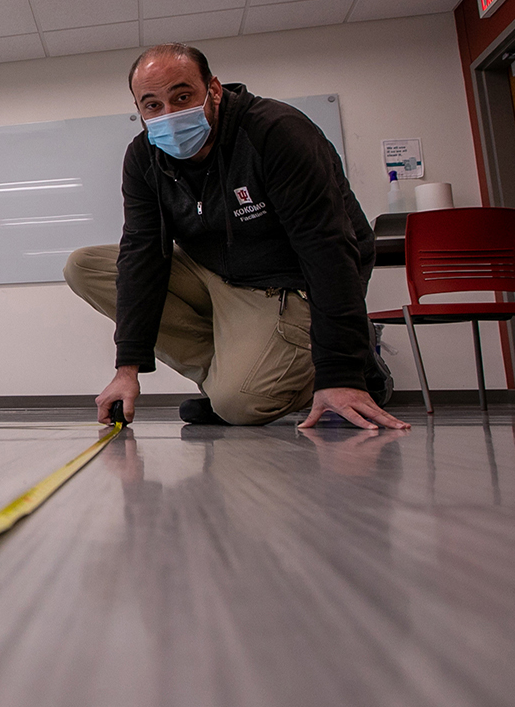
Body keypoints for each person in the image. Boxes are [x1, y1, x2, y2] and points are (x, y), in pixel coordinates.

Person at [65, 43, 406, 432]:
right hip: (218, 276)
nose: (170, 115)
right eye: (153, 106)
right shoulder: (144, 158)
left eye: (182, 96)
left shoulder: (275, 132)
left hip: (288, 284)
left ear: (213, 89)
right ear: (139, 110)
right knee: (85, 266)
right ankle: (232, 380)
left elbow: (327, 248)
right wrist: (126, 370)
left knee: (239, 407)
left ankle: (354, 367)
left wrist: (342, 373)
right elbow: (142, 255)